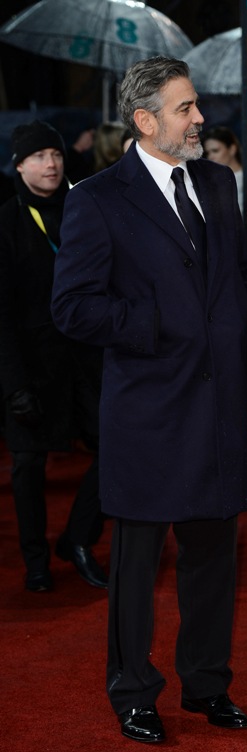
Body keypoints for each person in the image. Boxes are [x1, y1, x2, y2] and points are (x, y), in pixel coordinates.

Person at [51, 57, 247, 744]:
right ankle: (134, 692)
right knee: (136, 566)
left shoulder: (218, 183)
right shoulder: (98, 198)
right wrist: (155, 323)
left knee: (213, 558)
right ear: (145, 121)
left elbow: (239, 271)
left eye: (196, 105)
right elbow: (73, 307)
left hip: (218, 406)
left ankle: (207, 684)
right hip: (147, 410)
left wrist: (241, 313)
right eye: (185, 108)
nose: (200, 118)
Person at [0, 120, 107, 592]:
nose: (51, 164)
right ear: (19, 165)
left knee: (115, 447)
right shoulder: (6, 221)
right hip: (30, 366)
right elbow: (2, 315)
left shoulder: (85, 207)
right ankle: (35, 561)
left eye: (57, 154)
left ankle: (78, 539)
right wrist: (14, 386)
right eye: (39, 156)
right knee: (28, 466)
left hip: (85, 360)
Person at [203, 126, 244, 212]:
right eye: (208, 153)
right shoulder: (209, 183)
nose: (211, 157)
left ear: (232, 149)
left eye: (215, 151)